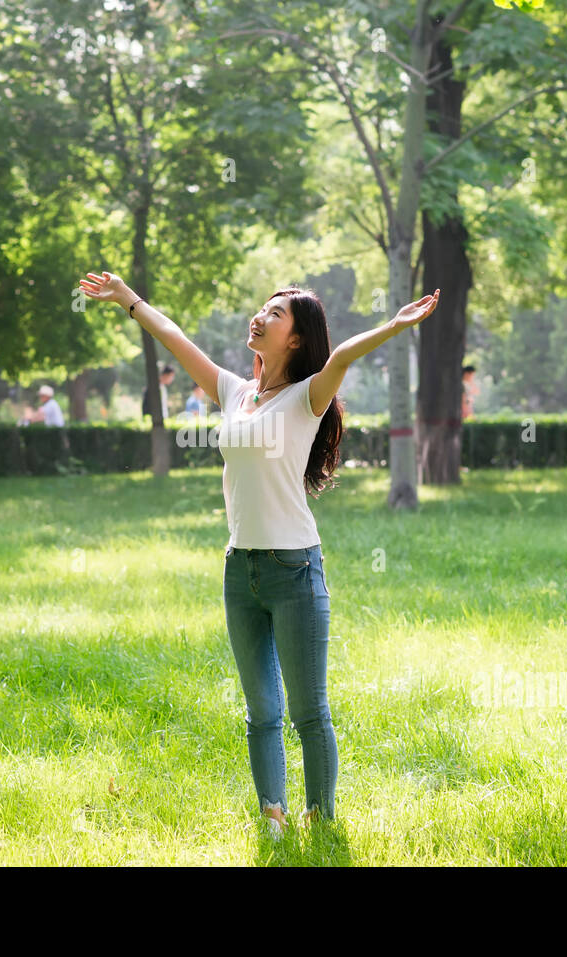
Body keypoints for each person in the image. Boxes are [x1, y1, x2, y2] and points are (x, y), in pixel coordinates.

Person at [78, 269, 439, 836]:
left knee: (308, 712)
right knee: (261, 712)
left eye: (275, 314)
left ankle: (321, 821)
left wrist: (393, 326)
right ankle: (273, 814)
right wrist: (129, 301)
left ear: (295, 338)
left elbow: (340, 356)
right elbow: (174, 337)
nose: (261, 317)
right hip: (239, 568)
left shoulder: (306, 398)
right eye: (263, 309)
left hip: (294, 569)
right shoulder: (236, 393)